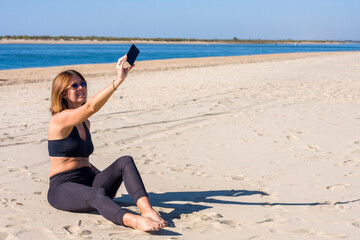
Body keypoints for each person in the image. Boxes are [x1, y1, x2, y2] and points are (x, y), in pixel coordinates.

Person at [47, 55, 168, 231]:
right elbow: (90, 108)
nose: (81, 88)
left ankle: (147, 211)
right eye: (74, 85)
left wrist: (104, 175)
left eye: (83, 83)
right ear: (63, 93)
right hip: (63, 188)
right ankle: (134, 221)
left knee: (124, 161)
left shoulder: (85, 123)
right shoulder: (59, 120)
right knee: (97, 194)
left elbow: (82, 160)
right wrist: (118, 81)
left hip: (89, 181)